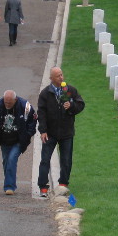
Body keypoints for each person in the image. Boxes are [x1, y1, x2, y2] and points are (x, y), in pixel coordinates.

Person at [37, 67, 85, 197]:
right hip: (50, 133)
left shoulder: (69, 90)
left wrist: (72, 106)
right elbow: (41, 113)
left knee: (66, 160)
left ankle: (63, 184)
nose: (61, 78)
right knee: (45, 159)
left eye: (62, 75)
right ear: (51, 78)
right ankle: (43, 187)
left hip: (66, 132)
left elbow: (81, 104)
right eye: (58, 76)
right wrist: (43, 131)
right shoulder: (45, 93)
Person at [0, 90, 36, 195]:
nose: (7, 104)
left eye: (9, 103)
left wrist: (28, 135)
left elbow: (33, 120)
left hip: (18, 140)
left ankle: (9, 187)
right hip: (4, 140)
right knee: (6, 161)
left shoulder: (25, 107)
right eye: (5, 102)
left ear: (15, 100)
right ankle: (9, 182)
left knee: (12, 159)